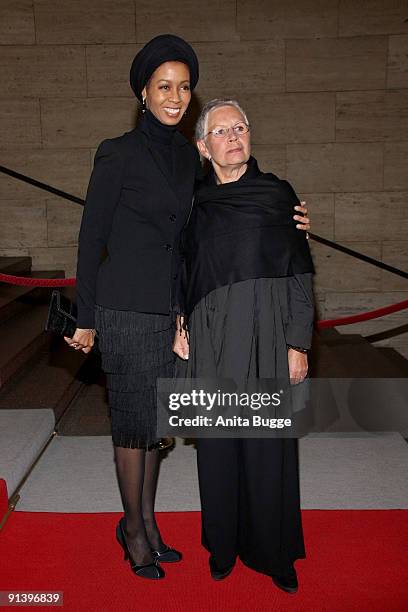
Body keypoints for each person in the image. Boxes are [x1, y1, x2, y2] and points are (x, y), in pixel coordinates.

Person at [65, 35, 310, 581]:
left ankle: (149, 524)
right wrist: (85, 316)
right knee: (132, 425)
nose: (175, 97)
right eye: (164, 87)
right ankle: (132, 531)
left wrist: (286, 214)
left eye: (183, 87)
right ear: (144, 93)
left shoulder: (186, 156)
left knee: (157, 424)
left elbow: (231, 188)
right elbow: (90, 236)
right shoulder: (117, 152)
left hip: (174, 314)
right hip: (125, 307)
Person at [174, 99, 314, 594]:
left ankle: (275, 552)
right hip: (211, 335)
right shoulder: (193, 203)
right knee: (217, 445)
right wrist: (179, 323)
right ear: (202, 145)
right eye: (221, 131)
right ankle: (223, 546)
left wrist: (299, 342)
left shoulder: (278, 196)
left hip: (269, 335)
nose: (233, 137)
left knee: (268, 447)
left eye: (240, 128)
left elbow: (300, 271)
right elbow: (183, 270)